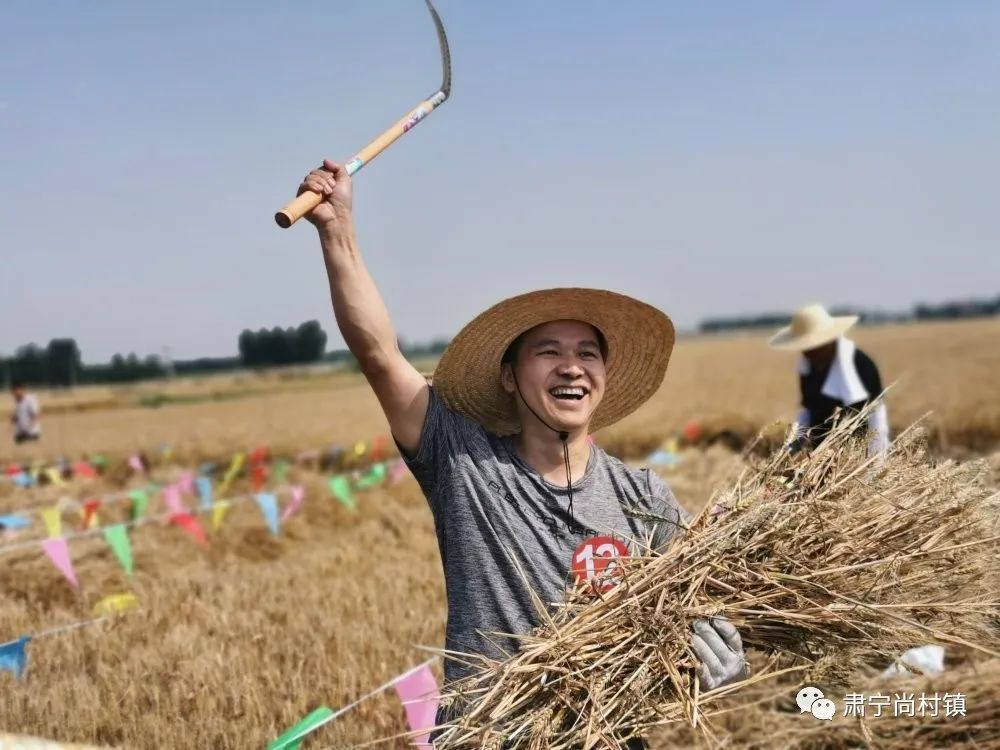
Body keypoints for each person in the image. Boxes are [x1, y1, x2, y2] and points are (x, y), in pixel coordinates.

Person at [296, 160, 746, 746]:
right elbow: (379, 353)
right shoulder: (463, 462)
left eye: (588, 352)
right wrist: (339, 233)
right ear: (509, 378)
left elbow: (700, 618)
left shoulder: (645, 500)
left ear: (604, 376)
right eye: (548, 352)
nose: (571, 366)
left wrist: (717, 661)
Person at [768, 304, 889, 456]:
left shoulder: (861, 366)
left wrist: (875, 465)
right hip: (820, 458)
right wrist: (793, 444)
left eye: (812, 347)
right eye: (804, 347)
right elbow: (808, 411)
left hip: (857, 458)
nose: (807, 352)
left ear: (828, 341)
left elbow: (876, 417)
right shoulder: (808, 367)